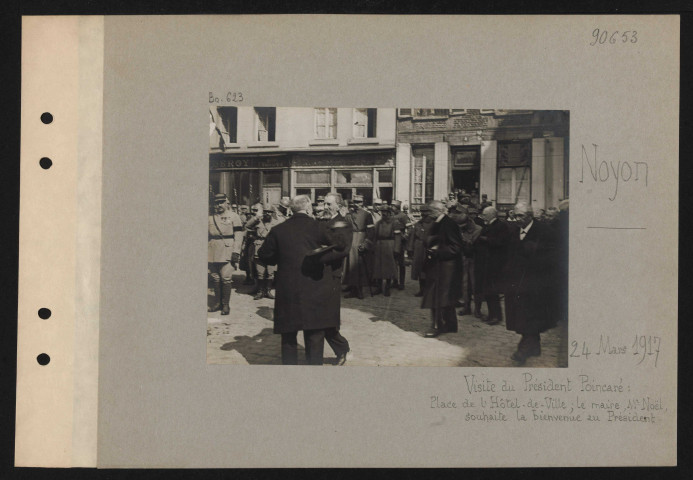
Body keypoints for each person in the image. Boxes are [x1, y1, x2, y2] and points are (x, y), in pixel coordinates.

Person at [257, 195, 351, 365]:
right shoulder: (319, 227)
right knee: (315, 334)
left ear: (290, 209)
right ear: (308, 208)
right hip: (315, 287)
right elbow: (341, 245)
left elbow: (264, 256)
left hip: (288, 290)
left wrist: (282, 257)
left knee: (288, 336)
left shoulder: (279, 230)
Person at [503, 201, 559, 365]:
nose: (517, 219)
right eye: (515, 215)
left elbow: (553, 258)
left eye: (520, 216)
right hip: (517, 283)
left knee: (531, 316)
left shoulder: (545, 232)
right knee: (520, 316)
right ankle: (533, 346)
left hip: (536, 284)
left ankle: (525, 348)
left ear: (530, 216)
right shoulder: (514, 231)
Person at [421, 200, 464, 337]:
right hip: (440, 266)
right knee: (445, 297)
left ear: (437, 211)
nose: (427, 214)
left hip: (445, 267)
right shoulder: (439, 222)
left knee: (437, 297)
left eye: (430, 211)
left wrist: (437, 252)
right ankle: (451, 325)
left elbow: (456, 247)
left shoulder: (448, 224)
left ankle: (437, 327)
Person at [321, 193, 353, 365]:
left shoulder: (343, 223)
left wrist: (320, 257)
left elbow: (343, 250)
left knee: (329, 316)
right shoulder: (323, 221)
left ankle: (342, 348)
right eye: (324, 203)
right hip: (319, 274)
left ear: (338, 206)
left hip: (332, 274)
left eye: (328, 204)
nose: (325, 207)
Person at [208, 194, 244, 315]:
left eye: (221, 202)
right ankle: (218, 303)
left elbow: (239, 235)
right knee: (215, 278)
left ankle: (225, 305)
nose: (219, 205)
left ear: (227, 203)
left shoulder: (234, 216)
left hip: (227, 251)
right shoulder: (210, 217)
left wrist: (236, 252)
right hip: (212, 251)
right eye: (217, 203)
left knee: (226, 278)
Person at [475, 206, 510, 324]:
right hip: (487, 263)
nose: (483, 216)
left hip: (496, 264)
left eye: (485, 214)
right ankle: (491, 315)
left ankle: (496, 317)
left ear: (491, 215)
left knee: (493, 291)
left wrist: (485, 239)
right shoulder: (488, 225)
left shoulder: (501, 226)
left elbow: (501, 243)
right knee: (488, 291)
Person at [342, 194, 374, 299]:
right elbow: (345, 229)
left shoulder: (367, 215)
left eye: (359, 202)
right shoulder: (348, 215)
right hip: (351, 241)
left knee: (360, 267)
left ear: (363, 202)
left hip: (361, 240)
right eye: (355, 202)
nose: (357, 204)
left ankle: (359, 291)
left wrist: (365, 244)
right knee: (350, 266)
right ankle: (352, 287)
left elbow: (371, 232)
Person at [364, 204, 398, 296]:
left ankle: (387, 288)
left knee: (389, 267)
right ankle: (379, 287)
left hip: (389, 245)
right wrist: (372, 246)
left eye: (385, 212)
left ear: (389, 212)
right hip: (379, 245)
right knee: (378, 267)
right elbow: (374, 236)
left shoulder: (394, 222)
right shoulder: (378, 223)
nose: (384, 214)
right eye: (382, 212)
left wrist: (396, 249)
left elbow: (397, 237)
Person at [251, 205, 280, 300]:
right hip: (259, 247)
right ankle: (260, 291)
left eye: (269, 212)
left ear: (272, 213)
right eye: (266, 211)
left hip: (271, 249)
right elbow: (247, 226)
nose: (267, 213)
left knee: (270, 272)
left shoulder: (276, 223)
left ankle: (268, 291)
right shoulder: (258, 222)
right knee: (260, 272)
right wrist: (256, 217)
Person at [458, 211, 482, 316]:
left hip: (475, 259)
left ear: (468, 221)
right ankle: (466, 307)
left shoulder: (478, 229)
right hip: (464, 259)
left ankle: (477, 309)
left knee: (475, 284)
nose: (461, 228)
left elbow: (472, 244)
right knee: (464, 284)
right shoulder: (460, 229)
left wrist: (463, 241)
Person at [407, 204, 434, 297]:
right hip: (418, 248)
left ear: (429, 213)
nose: (423, 214)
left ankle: (429, 291)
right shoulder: (418, 223)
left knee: (428, 270)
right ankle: (422, 290)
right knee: (419, 269)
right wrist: (410, 248)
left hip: (428, 248)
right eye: (422, 212)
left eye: (425, 212)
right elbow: (412, 236)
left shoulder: (434, 223)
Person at [391, 200, 411, 290]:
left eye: (393, 206)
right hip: (392, 241)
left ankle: (402, 283)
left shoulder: (403, 216)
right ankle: (394, 281)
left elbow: (409, 227)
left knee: (401, 263)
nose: (392, 208)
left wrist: (405, 236)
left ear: (398, 207)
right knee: (393, 262)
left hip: (400, 241)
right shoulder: (391, 215)